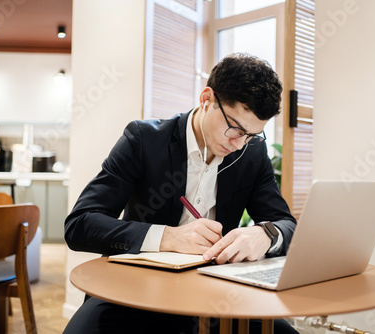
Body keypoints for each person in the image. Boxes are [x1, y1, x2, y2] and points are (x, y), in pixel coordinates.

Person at [63, 53, 299, 334]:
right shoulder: (143, 139)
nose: (238, 144)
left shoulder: (252, 153)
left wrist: (266, 234)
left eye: (251, 135)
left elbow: (287, 225)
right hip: (134, 290)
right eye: (235, 129)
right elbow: (80, 225)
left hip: (217, 296)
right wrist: (167, 237)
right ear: (206, 99)